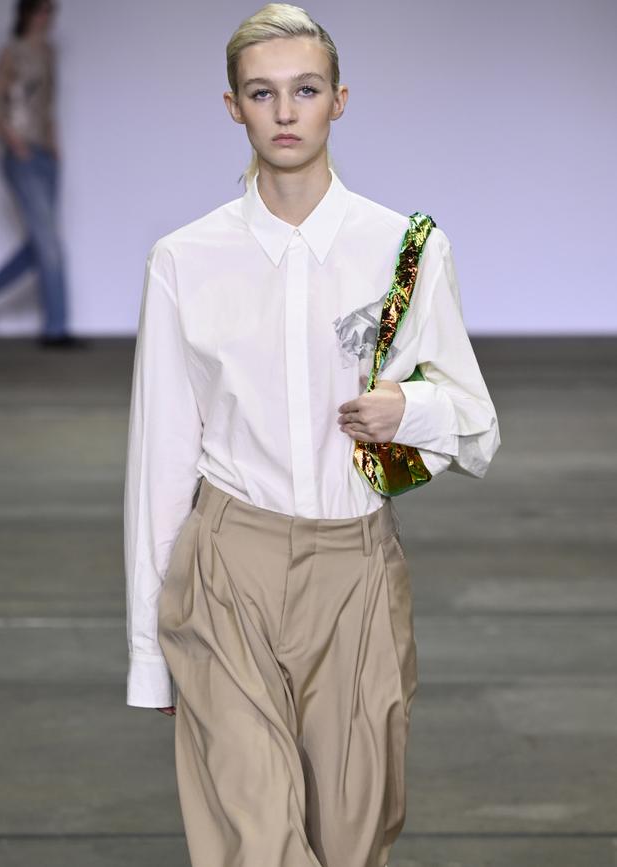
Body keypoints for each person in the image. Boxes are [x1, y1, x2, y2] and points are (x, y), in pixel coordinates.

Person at [123, 4, 501, 866]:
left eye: (305, 90)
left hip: (358, 569)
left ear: (339, 100)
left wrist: (411, 409)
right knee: (254, 837)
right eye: (263, 93)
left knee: (352, 837)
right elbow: (159, 460)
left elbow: (476, 424)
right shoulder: (184, 258)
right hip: (226, 570)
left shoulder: (404, 248)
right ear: (234, 108)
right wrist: (152, 654)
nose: (285, 112)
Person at [0, 0, 85, 348]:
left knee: (40, 244)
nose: (48, 18)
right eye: (42, 11)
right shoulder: (13, 52)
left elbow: (47, 106)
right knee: (49, 245)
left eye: (52, 11)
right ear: (28, 13)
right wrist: (14, 143)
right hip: (22, 157)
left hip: (46, 157)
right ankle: (55, 330)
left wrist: (55, 147)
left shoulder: (48, 53)